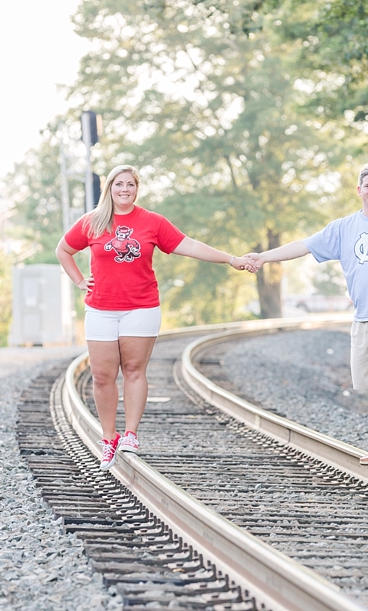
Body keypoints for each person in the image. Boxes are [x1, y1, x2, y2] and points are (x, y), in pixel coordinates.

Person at [56, 164, 257, 471]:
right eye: (119, 184)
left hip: (141, 307)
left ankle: (131, 434)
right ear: (109, 188)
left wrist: (231, 259)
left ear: (137, 189)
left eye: (130, 185)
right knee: (102, 376)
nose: (125, 190)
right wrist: (80, 281)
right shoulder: (92, 222)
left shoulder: (152, 222)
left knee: (134, 370)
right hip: (101, 309)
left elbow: (189, 246)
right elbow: (63, 250)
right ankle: (108, 437)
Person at [244, 165, 368, 466]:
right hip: (363, 318)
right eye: (367, 186)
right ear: (358, 190)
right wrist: (264, 257)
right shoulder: (343, 228)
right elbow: (304, 246)